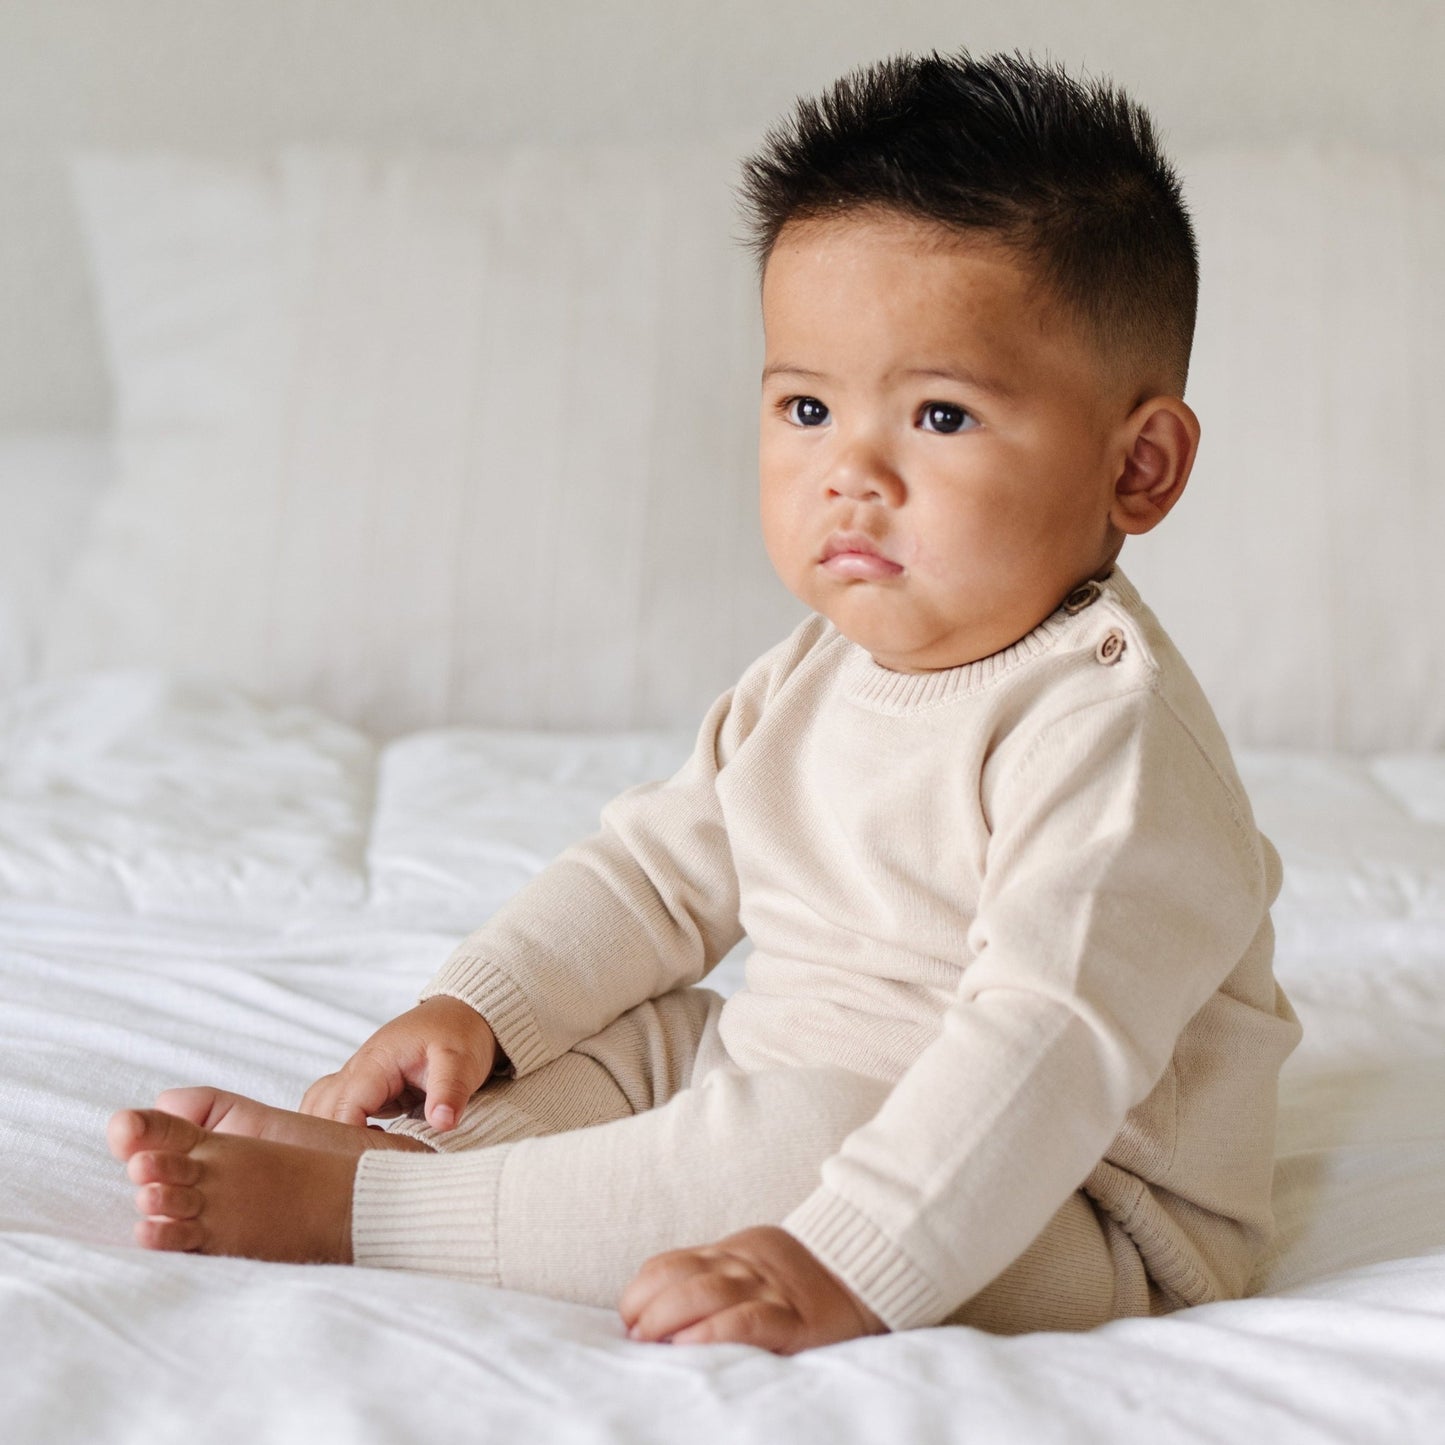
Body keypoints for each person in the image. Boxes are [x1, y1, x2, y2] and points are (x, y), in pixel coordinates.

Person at [107, 49, 1302, 1356]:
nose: (849, 472)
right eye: (805, 405)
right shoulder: (812, 671)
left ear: (1138, 465)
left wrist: (842, 1261)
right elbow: (653, 877)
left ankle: (374, 1210)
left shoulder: (1106, 737)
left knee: (786, 1141)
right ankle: (427, 1155)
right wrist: (476, 1009)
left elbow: (1044, 1048)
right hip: (793, 1076)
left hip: (1063, 1201)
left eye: (940, 415)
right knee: (640, 1038)